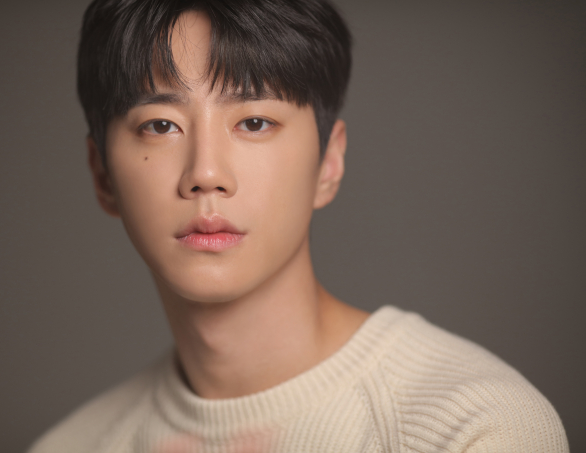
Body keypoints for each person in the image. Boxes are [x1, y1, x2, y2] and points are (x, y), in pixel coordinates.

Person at [28, 0, 569, 451]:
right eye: (160, 125)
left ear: (328, 163)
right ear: (101, 174)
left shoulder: (479, 429)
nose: (206, 174)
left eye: (254, 121)